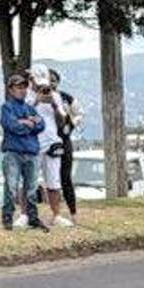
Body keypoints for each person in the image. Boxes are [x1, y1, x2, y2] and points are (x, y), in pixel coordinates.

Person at [0, 73, 48, 232]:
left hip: (32, 152)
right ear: (11, 89)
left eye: (24, 87)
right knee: (11, 187)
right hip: (13, 152)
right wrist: (28, 123)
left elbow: (41, 125)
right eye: (18, 87)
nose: (22, 90)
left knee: (32, 188)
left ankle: (33, 218)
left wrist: (24, 123)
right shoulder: (6, 107)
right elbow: (11, 126)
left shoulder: (29, 108)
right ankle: (7, 217)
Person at [28, 64, 73, 228]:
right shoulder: (25, 95)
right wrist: (36, 101)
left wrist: (54, 105)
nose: (40, 86)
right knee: (29, 182)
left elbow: (62, 121)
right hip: (32, 143)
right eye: (36, 82)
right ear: (30, 79)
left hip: (52, 142)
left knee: (54, 182)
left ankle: (56, 215)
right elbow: (21, 114)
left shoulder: (55, 96)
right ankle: (26, 215)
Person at [49, 69, 82, 221]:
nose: (50, 83)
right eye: (48, 80)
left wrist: (72, 124)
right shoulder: (38, 97)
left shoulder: (65, 98)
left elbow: (78, 113)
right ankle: (54, 213)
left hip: (63, 139)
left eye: (53, 80)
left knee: (65, 177)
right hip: (47, 141)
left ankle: (73, 212)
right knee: (50, 179)